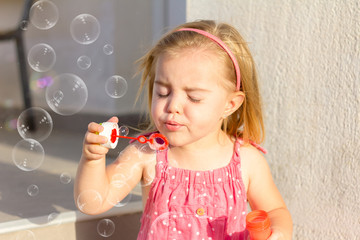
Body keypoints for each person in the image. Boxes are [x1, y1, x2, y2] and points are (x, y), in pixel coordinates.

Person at [74, 20, 293, 239]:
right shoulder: (146, 153)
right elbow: (93, 202)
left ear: (230, 105)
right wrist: (92, 160)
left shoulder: (246, 160)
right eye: (162, 92)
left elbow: (274, 211)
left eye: (193, 97)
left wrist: (279, 232)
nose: (172, 106)